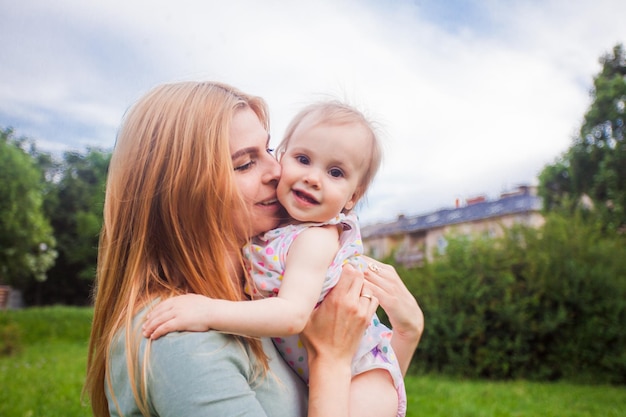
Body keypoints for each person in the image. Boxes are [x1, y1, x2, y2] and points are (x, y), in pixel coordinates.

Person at [83, 81, 424, 417]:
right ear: (182, 192)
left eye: (269, 150)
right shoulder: (181, 338)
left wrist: (405, 335)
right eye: (246, 163)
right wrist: (331, 361)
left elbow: (363, 382)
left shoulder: (247, 296)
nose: (277, 171)